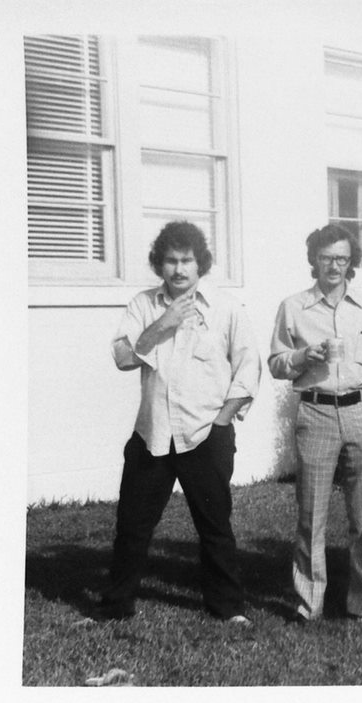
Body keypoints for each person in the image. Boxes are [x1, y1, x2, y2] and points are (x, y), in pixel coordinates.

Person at [97, 221, 261, 624]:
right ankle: (116, 607)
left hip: (205, 433)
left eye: (186, 260)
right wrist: (164, 323)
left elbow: (248, 370)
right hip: (152, 433)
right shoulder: (143, 305)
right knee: (132, 527)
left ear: (199, 262)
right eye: (170, 260)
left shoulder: (225, 308)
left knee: (214, 527)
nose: (179, 269)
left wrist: (221, 424)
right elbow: (122, 357)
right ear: (160, 263)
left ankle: (228, 609)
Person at [269, 224, 362, 623]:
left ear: (351, 261)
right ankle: (310, 605)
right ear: (314, 261)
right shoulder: (293, 307)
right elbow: (275, 363)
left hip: (361, 412)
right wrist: (305, 356)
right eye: (326, 258)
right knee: (311, 514)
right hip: (317, 411)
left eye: (342, 258)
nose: (334, 266)